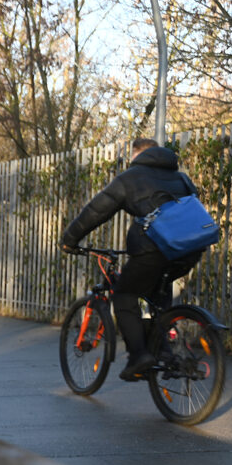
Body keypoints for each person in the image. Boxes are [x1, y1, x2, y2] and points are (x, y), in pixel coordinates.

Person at [59, 138, 203, 381]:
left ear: (137, 156)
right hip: (188, 251)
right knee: (158, 298)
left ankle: (139, 356)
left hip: (153, 251)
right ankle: (166, 354)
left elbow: (96, 211)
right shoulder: (181, 178)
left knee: (124, 294)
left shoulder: (131, 177)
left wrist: (69, 239)